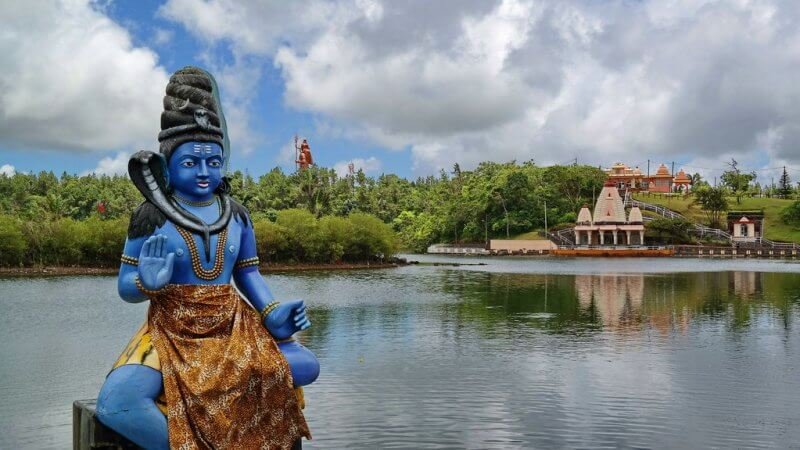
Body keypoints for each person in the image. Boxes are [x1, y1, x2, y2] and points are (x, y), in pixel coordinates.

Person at [95, 67, 318, 450]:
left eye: (213, 163)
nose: (203, 173)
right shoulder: (152, 216)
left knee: (305, 366)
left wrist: (272, 313)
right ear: (165, 166)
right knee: (117, 403)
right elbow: (124, 287)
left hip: (232, 324)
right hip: (171, 326)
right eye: (190, 163)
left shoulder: (236, 214)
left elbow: (249, 276)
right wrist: (147, 283)